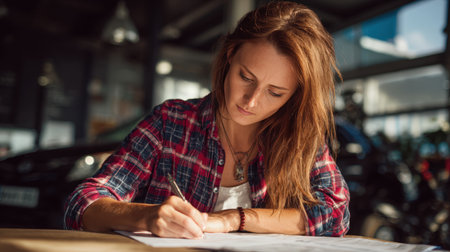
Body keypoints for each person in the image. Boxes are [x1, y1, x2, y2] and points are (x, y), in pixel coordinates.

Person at [64, 1, 350, 239]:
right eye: (246, 77)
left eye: (275, 93)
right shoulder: (170, 123)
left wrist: (233, 219)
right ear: (229, 57)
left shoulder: (301, 139)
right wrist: (145, 215)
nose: (250, 101)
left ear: (294, 97)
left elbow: (336, 214)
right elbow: (81, 204)